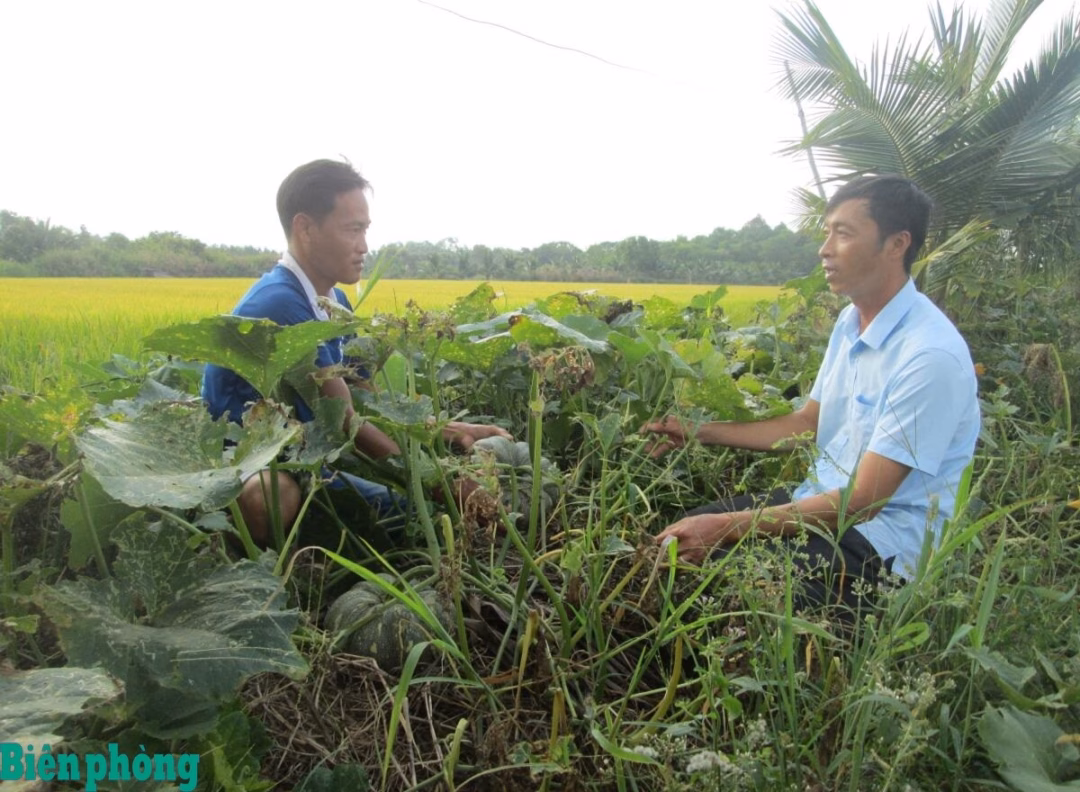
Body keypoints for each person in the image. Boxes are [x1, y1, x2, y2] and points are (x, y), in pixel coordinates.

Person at [644, 175, 980, 613]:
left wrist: (727, 527)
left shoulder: (930, 355)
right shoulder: (850, 322)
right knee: (679, 542)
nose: (825, 249)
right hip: (820, 501)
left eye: (844, 234)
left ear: (897, 244)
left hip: (883, 543)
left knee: (727, 588)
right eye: (827, 233)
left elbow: (863, 503)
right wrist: (698, 432)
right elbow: (809, 423)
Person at [202, 159, 509, 545]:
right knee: (276, 496)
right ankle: (261, 567)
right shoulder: (281, 303)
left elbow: (361, 393)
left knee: (407, 516)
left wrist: (447, 430)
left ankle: (317, 536)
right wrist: (438, 484)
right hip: (240, 464)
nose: (364, 247)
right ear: (305, 228)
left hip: (306, 452)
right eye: (352, 230)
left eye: (365, 230)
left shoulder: (334, 299)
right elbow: (348, 422)